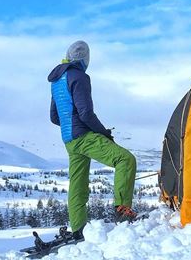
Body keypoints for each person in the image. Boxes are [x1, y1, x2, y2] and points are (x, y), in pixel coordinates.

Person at [48, 40, 137, 241]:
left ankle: (78, 228)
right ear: (84, 59)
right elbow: (86, 113)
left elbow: (54, 117)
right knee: (125, 160)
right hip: (83, 136)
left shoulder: (57, 80)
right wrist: (104, 133)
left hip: (69, 140)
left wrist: (71, 127)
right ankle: (122, 210)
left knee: (78, 184)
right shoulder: (79, 76)